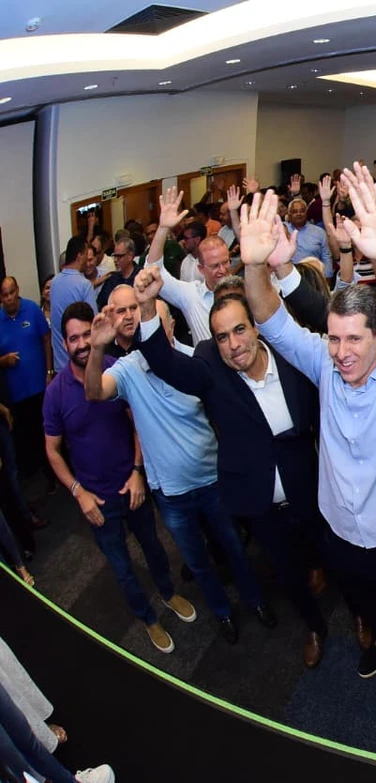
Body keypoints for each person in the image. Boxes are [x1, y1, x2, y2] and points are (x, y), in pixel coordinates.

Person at [240, 165, 376, 702]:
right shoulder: (323, 362)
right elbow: (270, 319)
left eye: (355, 340)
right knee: (363, 599)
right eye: (334, 339)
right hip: (340, 523)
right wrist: (252, 267)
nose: (343, 353)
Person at [134, 267, 334, 668]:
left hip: (309, 483)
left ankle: (363, 617)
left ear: (257, 327)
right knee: (286, 573)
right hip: (258, 501)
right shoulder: (210, 367)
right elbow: (163, 360)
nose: (233, 344)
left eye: (240, 330)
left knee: (336, 556)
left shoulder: (291, 354)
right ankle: (315, 627)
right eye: (222, 336)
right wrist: (145, 306)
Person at [84, 292, 275, 645]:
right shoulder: (128, 369)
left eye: (157, 322)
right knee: (197, 562)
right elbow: (94, 393)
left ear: (171, 325)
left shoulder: (197, 362)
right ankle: (222, 612)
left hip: (214, 481)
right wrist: (96, 349)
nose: (152, 331)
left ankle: (256, 600)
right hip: (172, 495)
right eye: (145, 326)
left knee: (235, 549)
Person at [43, 302, 195, 654]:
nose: (82, 343)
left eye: (87, 334)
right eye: (74, 338)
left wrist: (138, 471)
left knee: (155, 548)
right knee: (122, 566)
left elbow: (138, 422)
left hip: (132, 486)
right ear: (64, 344)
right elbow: (52, 451)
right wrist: (77, 491)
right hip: (97, 499)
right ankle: (146, 617)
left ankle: (169, 592)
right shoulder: (55, 394)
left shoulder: (116, 370)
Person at [145, 188, 233, 342]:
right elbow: (153, 271)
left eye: (225, 263)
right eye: (214, 266)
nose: (222, 270)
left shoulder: (245, 291)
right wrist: (163, 228)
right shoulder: (191, 296)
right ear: (201, 269)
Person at [0, 276, 53, 499]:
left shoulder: (32, 309)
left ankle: (54, 476)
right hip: (15, 393)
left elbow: (47, 340)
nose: (10, 297)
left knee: (47, 432)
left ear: (18, 290)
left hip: (39, 387)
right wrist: (3, 361)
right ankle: (34, 477)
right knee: (26, 437)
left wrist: (49, 372)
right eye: (5, 294)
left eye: (12, 292)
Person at [48, 236, 98, 371]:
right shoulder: (84, 285)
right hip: (82, 364)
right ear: (79, 256)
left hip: (60, 364)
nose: (87, 263)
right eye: (86, 256)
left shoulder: (54, 283)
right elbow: (94, 325)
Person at [286, 196, 334, 281]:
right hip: (287, 278)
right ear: (289, 214)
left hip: (314, 278)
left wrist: (327, 277)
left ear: (306, 212)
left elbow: (326, 257)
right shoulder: (282, 229)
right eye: (294, 212)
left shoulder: (319, 232)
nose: (298, 214)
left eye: (302, 211)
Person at [96, 236, 142, 309]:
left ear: (130, 256)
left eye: (119, 256)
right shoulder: (111, 278)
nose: (115, 260)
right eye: (114, 256)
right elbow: (101, 304)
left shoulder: (142, 276)